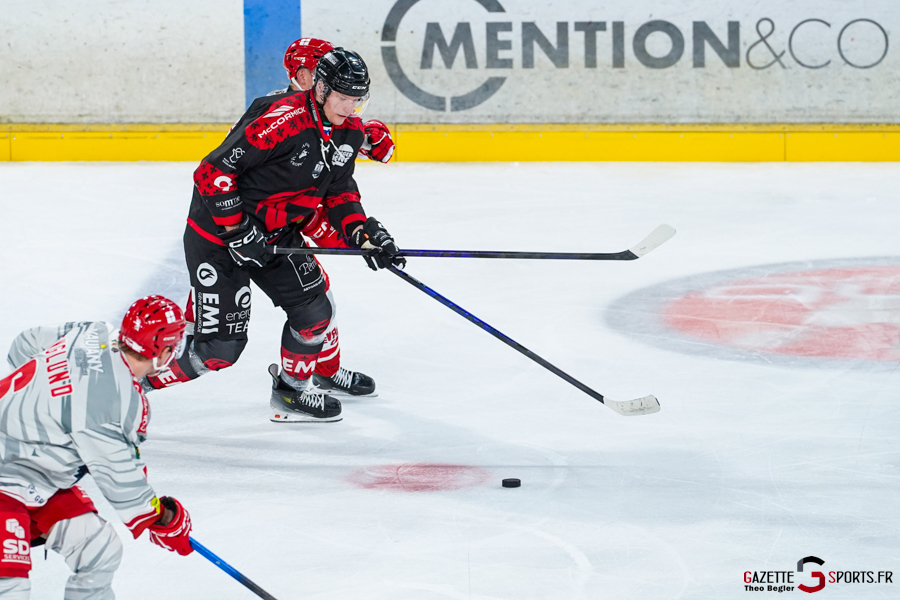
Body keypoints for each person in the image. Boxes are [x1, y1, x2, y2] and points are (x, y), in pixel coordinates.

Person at [144, 47, 405, 424]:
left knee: (315, 312)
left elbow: (339, 193)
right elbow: (211, 175)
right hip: (217, 236)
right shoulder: (282, 121)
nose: (350, 108)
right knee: (220, 348)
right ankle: (135, 384)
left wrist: (362, 233)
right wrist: (236, 230)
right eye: (343, 98)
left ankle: (290, 392)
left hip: (275, 235)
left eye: (357, 100)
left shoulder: (348, 131)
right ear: (320, 88)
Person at [0, 295, 194, 599]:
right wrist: (163, 520)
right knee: (9, 587)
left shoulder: (94, 332)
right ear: (165, 351)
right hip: (8, 480)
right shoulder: (122, 405)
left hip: (34, 474)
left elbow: (24, 343)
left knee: (98, 549)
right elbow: (122, 483)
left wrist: (40, 405)